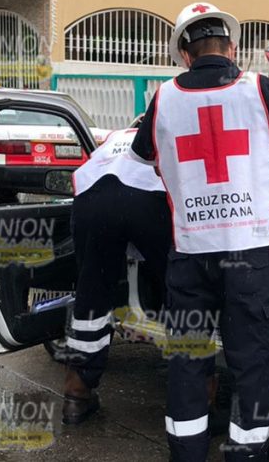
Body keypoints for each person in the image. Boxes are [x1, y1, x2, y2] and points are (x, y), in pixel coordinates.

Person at [130, 3, 269, 462]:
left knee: (188, 361)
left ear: (185, 55)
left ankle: (186, 454)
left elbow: (144, 157)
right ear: (232, 48)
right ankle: (247, 455)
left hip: (190, 254)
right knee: (251, 363)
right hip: (249, 253)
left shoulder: (163, 98)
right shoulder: (258, 88)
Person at [62, 126, 171, 424]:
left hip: (92, 197)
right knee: (180, 287)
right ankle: (197, 393)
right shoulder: (165, 130)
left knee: (92, 296)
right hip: (149, 196)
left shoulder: (115, 136)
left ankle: (77, 393)